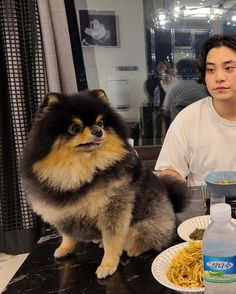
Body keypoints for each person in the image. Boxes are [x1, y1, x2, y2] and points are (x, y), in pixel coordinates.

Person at [155, 34, 236, 186]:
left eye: (229, 68)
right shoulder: (188, 119)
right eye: (211, 70)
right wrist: (172, 181)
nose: (219, 77)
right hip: (204, 207)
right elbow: (170, 171)